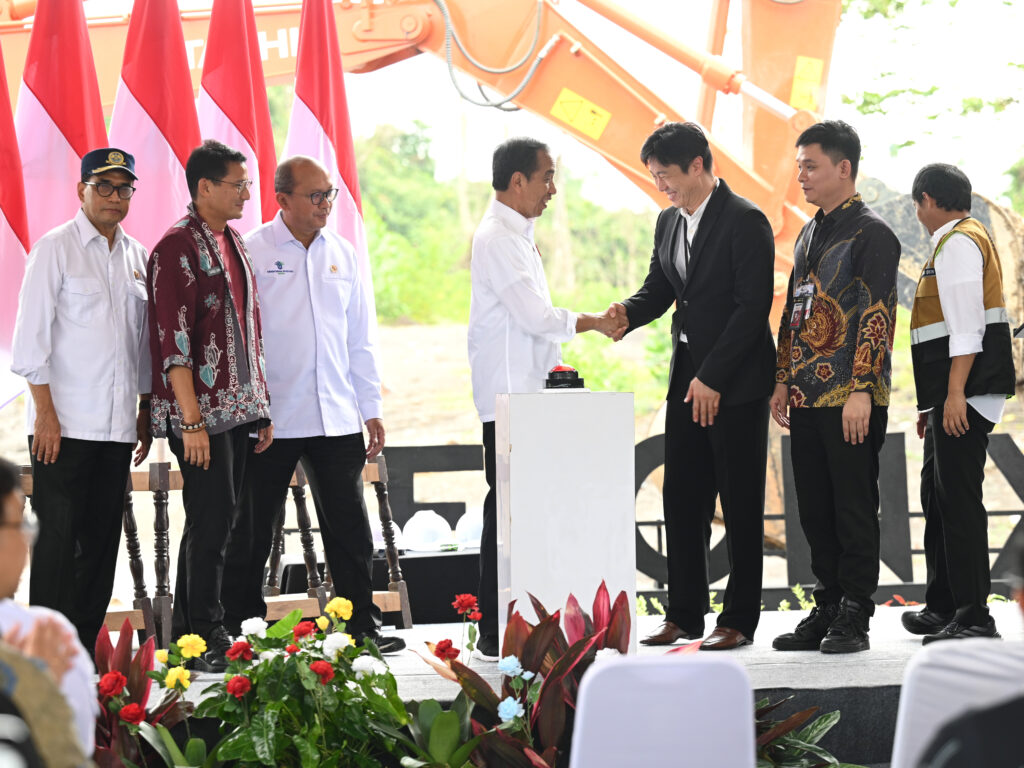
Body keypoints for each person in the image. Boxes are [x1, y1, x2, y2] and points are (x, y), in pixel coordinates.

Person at [222, 156, 404, 653]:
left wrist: (370, 406)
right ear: (282, 198)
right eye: (315, 196)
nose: (326, 204)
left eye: (330, 195)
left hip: (337, 414)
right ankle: (242, 630)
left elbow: (359, 338)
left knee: (349, 527)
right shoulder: (252, 251)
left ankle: (360, 629)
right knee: (254, 529)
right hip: (271, 419)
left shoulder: (342, 252)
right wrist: (250, 410)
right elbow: (240, 336)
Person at [608, 122, 776, 651]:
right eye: (655, 177)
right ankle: (684, 613)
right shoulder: (668, 222)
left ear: (698, 166)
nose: (661, 186)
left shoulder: (747, 221)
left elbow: (753, 309)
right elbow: (660, 287)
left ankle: (739, 619)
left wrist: (714, 377)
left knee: (741, 502)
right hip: (688, 381)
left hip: (737, 385)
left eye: (666, 176)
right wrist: (626, 314)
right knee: (682, 497)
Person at [468, 137, 622, 659]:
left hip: (531, 398)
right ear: (517, 181)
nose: (553, 189)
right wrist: (595, 322)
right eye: (547, 177)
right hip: (511, 401)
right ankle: (496, 631)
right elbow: (535, 317)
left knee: (525, 514)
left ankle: (529, 629)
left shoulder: (518, 235)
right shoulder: (498, 238)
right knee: (506, 515)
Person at [10, 147, 151, 654]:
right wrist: (45, 415)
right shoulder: (55, 248)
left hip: (116, 432)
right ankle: (45, 662)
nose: (114, 197)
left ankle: (83, 655)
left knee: (99, 551)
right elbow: (30, 344)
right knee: (56, 549)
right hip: (63, 429)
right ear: (82, 191)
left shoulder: (137, 256)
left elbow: (139, 348)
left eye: (123, 188)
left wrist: (143, 409)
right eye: (104, 187)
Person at [771, 120, 901, 654]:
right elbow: (792, 311)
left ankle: (855, 613)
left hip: (849, 397)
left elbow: (878, 314)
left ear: (843, 168)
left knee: (852, 505)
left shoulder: (873, 233)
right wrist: (781, 378)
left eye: (811, 165)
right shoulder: (808, 231)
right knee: (814, 510)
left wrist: (862, 390)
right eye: (799, 165)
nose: (800, 175)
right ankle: (826, 605)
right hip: (804, 396)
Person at [147, 139, 273, 671]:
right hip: (197, 413)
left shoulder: (234, 241)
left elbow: (249, 330)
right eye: (237, 184)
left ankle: (194, 632)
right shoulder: (177, 247)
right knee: (211, 519)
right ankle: (202, 632)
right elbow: (171, 342)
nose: (247, 193)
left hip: (238, 410)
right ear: (204, 187)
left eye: (247, 183)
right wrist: (191, 421)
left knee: (225, 521)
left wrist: (259, 407)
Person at [901, 164, 1014, 643]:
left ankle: (972, 616)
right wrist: (933, 405)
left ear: (926, 200)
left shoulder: (958, 243)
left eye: (916, 205)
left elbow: (967, 329)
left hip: (964, 393)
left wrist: (953, 396)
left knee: (959, 502)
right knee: (938, 494)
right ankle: (943, 604)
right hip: (950, 396)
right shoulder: (961, 239)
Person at [0, 456, 98, 759]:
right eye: (20, 523)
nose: (26, 541)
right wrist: (38, 687)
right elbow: (78, 749)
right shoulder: (42, 638)